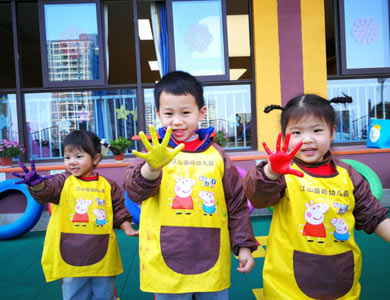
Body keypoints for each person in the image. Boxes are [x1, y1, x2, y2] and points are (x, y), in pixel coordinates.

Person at [123, 71, 258, 300]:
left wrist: (243, 245)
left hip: (210, 251)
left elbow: (236, 203)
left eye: (185, 112)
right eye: (168, 113)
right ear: (158, 113)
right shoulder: (155, 152)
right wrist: (152, 168)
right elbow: (135, 190)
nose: (177, 121)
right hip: (165, 255)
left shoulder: (217, 155)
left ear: (201, 112)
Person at [243, 94, 390, 300]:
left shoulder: (348, 175)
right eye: (296, 132)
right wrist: (270, 172)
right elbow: (257, 196)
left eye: (317, 130)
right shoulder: (283, 173)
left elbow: (374, 216)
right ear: (285, 136)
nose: (307, 139)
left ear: (332, 132)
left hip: (339, 274)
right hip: (287, 284)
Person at [12, 130, 138, 300]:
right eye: (67, 157)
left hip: (103, 254)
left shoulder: (109, 185)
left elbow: (118, 209)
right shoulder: (62, 181)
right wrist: (37, 185)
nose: (72, 162)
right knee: (75, 293)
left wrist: (127, 227)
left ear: (95, 158)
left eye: (78, 157)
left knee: (105, 293)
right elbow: (46, 191)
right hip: (71, 253)